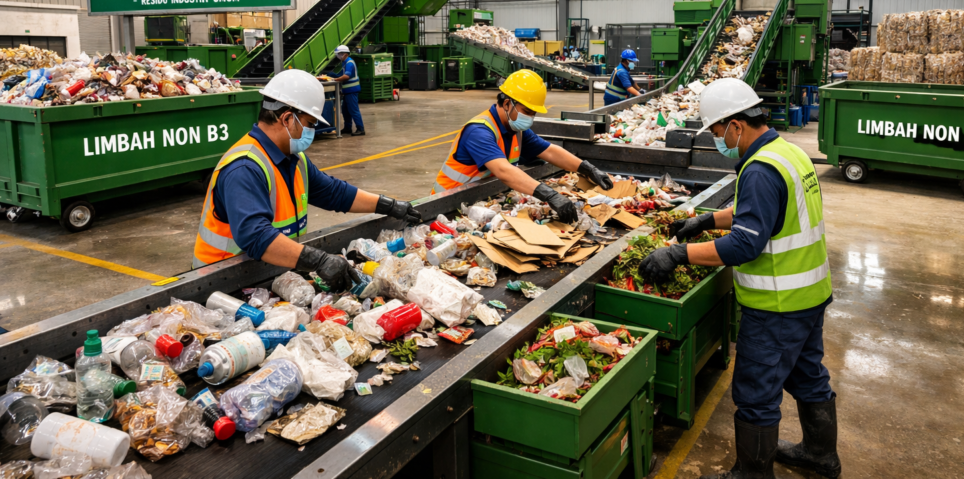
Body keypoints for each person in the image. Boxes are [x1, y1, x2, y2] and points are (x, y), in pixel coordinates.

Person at [638, 78, 838, 479]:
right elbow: (764, 213)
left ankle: (752, 474)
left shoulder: (761, 169)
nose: (718, 140)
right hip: (810, 295)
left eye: (716, 132)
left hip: (777, 306)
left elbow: (744, 246)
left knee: (755, 395)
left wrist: (678, 254)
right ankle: (820, 455)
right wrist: (708, 219)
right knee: (808, 377)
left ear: (736, 125)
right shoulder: (790, 153)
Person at [193, 69, 422, 292]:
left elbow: (333, 192)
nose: (312, 130)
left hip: (266, 275)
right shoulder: (245, 167)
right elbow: (255, 236)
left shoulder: (293, 158)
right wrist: (319, 261)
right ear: (286, 118)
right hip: (219, 284)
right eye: (310, 123)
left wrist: (388, 205)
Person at [430, 69, 614, 223]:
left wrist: (588, 169)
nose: (530, 118)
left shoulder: (516, 129)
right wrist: (549, 195)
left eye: (533, 113)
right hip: (445, 209)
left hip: (477, 205)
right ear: (507, 103)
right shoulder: (479, 131)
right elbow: (503, 171)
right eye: (527, 111)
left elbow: (549, 151)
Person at [325, 45, 364, 136]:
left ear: (344, 54)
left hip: (352, 91)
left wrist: (335, 80)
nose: (338, 56)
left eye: (339, 54)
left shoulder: (349, 63)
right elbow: (341, 74)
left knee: (354, 110)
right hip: (347, 91)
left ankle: (360, 129)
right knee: (345, 110)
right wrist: (331, 75)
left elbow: (346, 76)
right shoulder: (345, 63)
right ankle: (347, 128)